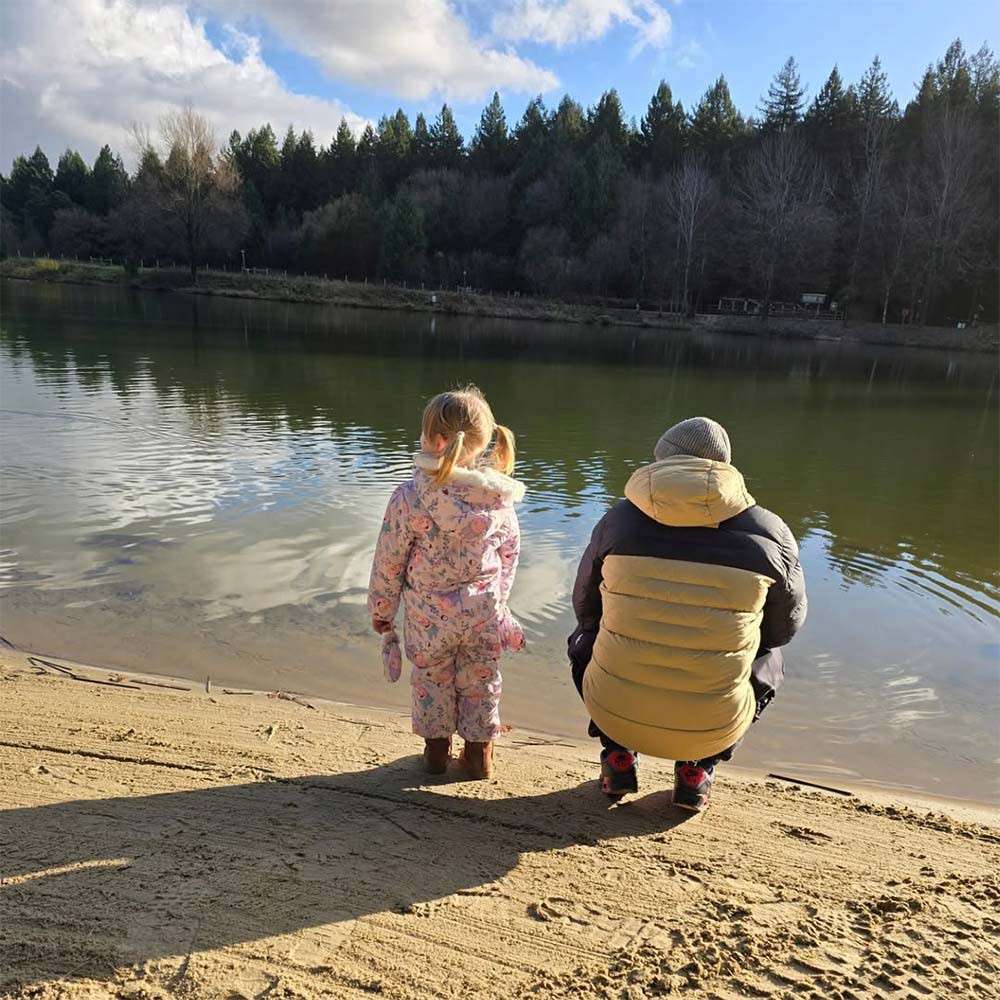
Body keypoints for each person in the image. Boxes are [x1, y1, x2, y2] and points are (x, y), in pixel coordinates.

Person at [568, 417, 807, 812]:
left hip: (614, 711)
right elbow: (784, 627)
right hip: (713, 726)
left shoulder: (617, 521)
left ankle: (618, 757)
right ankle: (696, 770)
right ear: (726, 468)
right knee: (770, 658)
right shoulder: (771, 531)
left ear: (660, 462)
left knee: (585, 639)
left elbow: (585, 608)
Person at [368, 386, 525, 779]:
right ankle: (478, 757)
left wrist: (382, 613)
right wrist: (501, 603)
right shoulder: (498, 499)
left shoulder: (411, 496)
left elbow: (389, 560)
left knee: (431, 680)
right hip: (483, 612)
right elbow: (509, 555)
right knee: (481, 679)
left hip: (429, 615)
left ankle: (437, 755)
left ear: (436, 441)